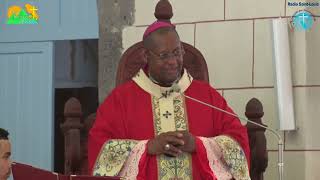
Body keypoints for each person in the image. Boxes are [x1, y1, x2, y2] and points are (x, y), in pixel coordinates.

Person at [89, 21, 251, 180]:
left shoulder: (206, 96)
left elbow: (238, 141)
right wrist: (147, 147)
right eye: (164, 55)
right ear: (146, 56)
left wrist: (198, 145)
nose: (173, 61)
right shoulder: (121, 100)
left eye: (177, 52)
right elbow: (99, 149)